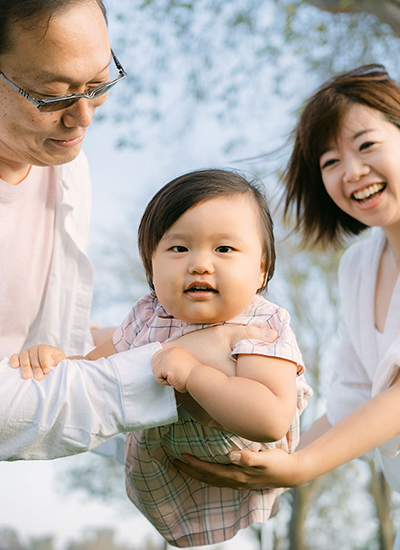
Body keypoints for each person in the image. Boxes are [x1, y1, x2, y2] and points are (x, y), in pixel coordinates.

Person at [0, 0, 277, 461]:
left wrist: (150, 333)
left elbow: (47, 339)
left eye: (98, 83)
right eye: (51, 95)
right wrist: (175, 363)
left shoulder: (67, 169)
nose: (83, 117)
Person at [15, 169, 312, 547]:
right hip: (168, 479)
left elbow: (269, 419)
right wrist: (57, 359)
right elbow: (94, 372)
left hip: (239, 469)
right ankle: (91, 328)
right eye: (179, 248)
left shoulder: (261, 323)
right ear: (151, 268)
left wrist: (194, 376)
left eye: (224, 249)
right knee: (106, 344)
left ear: (261, 270)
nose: (201, 263)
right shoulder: (148, 315)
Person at [168, 65, 400, 543]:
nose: (351, 172)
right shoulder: (359, 266)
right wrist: (266, 465)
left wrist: (301, 467)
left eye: (366, 145)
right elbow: (351, 399)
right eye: (329, 161)